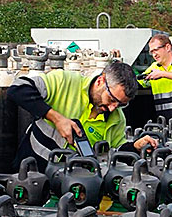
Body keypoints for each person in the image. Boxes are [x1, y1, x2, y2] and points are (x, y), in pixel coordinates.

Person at [8, 60, 158, 171]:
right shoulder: (64, 82)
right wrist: (56, 118)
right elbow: (18, 89)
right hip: (30, 173)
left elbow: (117, 150)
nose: (113, 108)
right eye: (112, 100)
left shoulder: (117, 119)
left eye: (120, 104)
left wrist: (134, 146)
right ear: (100, 81)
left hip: (72, 186)